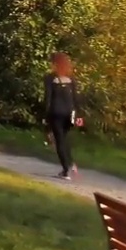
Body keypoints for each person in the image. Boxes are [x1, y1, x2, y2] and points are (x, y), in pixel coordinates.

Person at [43, 52, 84, 180]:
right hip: (69, 113)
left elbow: (48, 98)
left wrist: (45, 115)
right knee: (64, 139)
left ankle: (66, 170)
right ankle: (70, 163)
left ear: (55, 64)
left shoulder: (50, 78)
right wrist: (79, 115)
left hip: (56, 113)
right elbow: (75, 98)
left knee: (59, 141)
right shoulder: (71, 79)